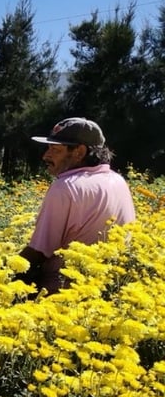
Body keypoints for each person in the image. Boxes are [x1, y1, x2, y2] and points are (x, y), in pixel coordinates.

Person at [21, 117, 136, 294]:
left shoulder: (65, 186)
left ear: (79, 152)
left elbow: (39, 251)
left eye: (55, 149)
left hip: (59, 297)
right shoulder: (118, 181)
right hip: (108, 289)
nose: (46, 155)